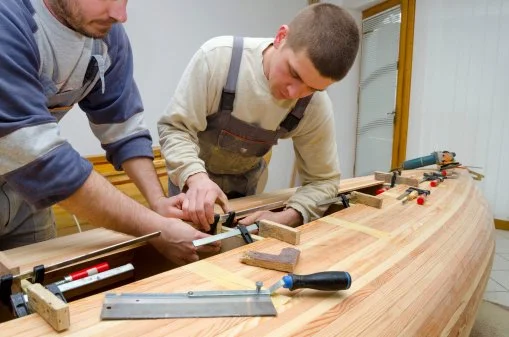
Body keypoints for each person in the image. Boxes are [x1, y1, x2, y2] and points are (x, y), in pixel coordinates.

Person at [0, 0, 218, 265]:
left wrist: (158, 202)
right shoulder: (8, 20)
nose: (120, 15)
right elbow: (40, 157)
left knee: (35, 293)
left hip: (26, 199)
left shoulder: (106, 35)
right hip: (32, 171)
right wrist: (155, 229)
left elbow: (123, 127)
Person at [158, 3, 360, 230]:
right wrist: (196, 178)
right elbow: (175, 128)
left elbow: (324, 180)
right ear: (281, 36)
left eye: (312, 88)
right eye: (294, 73)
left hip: (245, 193)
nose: (295, 93)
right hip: (189, 188)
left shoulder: (315, 105)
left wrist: (289, 216)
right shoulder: (219, 59)